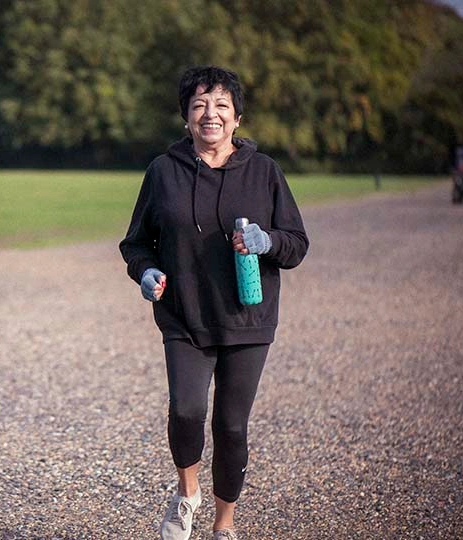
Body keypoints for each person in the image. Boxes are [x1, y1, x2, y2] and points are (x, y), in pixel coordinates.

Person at [119, 65, 308, 540]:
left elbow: (297, 243)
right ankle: (188, 494)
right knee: (185, 410)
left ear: (237, 117)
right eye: (200, 104)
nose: (211, 114)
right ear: (186, 117)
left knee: (231, 426)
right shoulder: (163, 172)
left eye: (222, 105)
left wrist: (266, 242)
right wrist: (147, 272)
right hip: (185, 316)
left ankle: (224, 525)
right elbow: (136, 244)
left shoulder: (265, 172)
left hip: (248, 319)